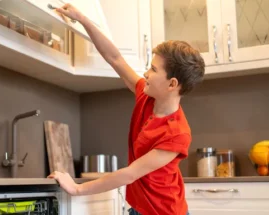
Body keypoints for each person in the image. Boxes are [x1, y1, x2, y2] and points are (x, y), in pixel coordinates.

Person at [47, 3, 205, 215]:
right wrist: (83, 20)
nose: (146, 73)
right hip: (139, 208)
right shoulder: (146, 96)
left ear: (172, 84)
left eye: (153, 69)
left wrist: (77, 189)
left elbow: (130, 174)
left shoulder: (176, 133)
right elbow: (115, 59)